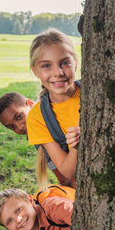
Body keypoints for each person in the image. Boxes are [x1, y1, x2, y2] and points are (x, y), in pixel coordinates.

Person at [26, 28, 81, 190]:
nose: (58, 73)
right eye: (47, 66)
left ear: (75, 63)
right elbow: (68, 171)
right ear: (35, 71)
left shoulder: (94, 92)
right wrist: (75, 146)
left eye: (65, 63)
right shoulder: (38, 117)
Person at [0, 92, 70, 186]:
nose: (19, 127)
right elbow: (64, 179)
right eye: (12, 127)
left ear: (30, 104)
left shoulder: (54, 110)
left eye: (19, 117)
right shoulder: (38, 141)